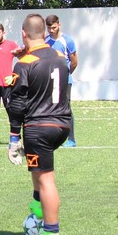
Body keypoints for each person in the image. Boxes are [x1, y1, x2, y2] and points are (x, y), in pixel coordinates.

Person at [6, 13, 72, 235]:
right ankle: (38, 208)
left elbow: (17, 104)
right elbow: (45, 66)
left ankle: (51, 232)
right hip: (62, 124)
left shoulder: (24, 63)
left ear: (23, 34)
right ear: (44, 33)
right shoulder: (60, 57)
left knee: (46, 180)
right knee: (38, 171)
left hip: (39, 127)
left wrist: (14, 138)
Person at [45, 15, 78, 146]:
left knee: (65, 108)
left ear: (59, 25)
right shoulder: (45, 41)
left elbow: (74, 62)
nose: (51, 30)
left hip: (65, 81)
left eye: (54, 27)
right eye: (49, 28)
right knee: (49, 108)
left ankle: (71, 139)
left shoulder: (67, 41)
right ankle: (52, 137)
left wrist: (65, 74)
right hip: (49, 80)